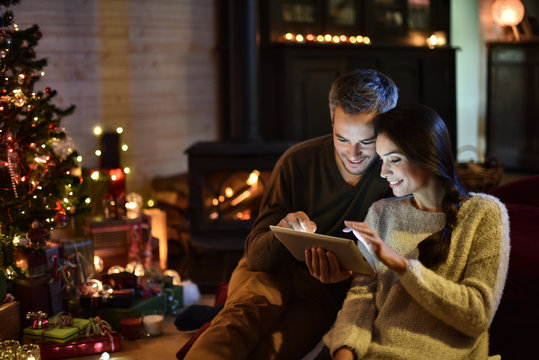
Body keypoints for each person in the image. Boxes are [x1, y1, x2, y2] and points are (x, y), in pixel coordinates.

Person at [182, 69, 399, 360]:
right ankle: (220, 312)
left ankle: (213, 312)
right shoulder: (297, 161)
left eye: (367, 141)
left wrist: (343, 277)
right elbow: (256, 255)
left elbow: (386, 280)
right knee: (239, 318)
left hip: (321, 294)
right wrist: (281, 234)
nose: (354, 153)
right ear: (331, 119)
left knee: (273, 350)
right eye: (342, 139)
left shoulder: (396, 177)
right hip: (269, 272)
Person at [323, 103, 510, 360]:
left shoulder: (485, 213)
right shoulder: (381, 212)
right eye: (382, 159)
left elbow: (476, 316)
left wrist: (401, 264)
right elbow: (362, 296)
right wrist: (345, 350)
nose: (384, 172)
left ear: (427, 155)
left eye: (395, 159)